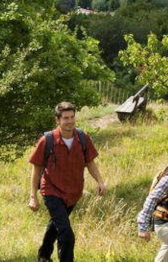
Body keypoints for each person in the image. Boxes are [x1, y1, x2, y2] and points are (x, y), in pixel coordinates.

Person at [28, 102, 107, 262]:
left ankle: (43, 256)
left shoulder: (82, 138)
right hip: (51, 190)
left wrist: (100, 181)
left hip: (73, 192)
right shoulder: (47, 140)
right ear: (57, 120)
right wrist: (33, 196)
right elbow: (36, 168)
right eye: (65, 118)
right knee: (66, 233)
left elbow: (90, 162)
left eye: (72, 117)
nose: (70, 121)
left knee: (55, 225)